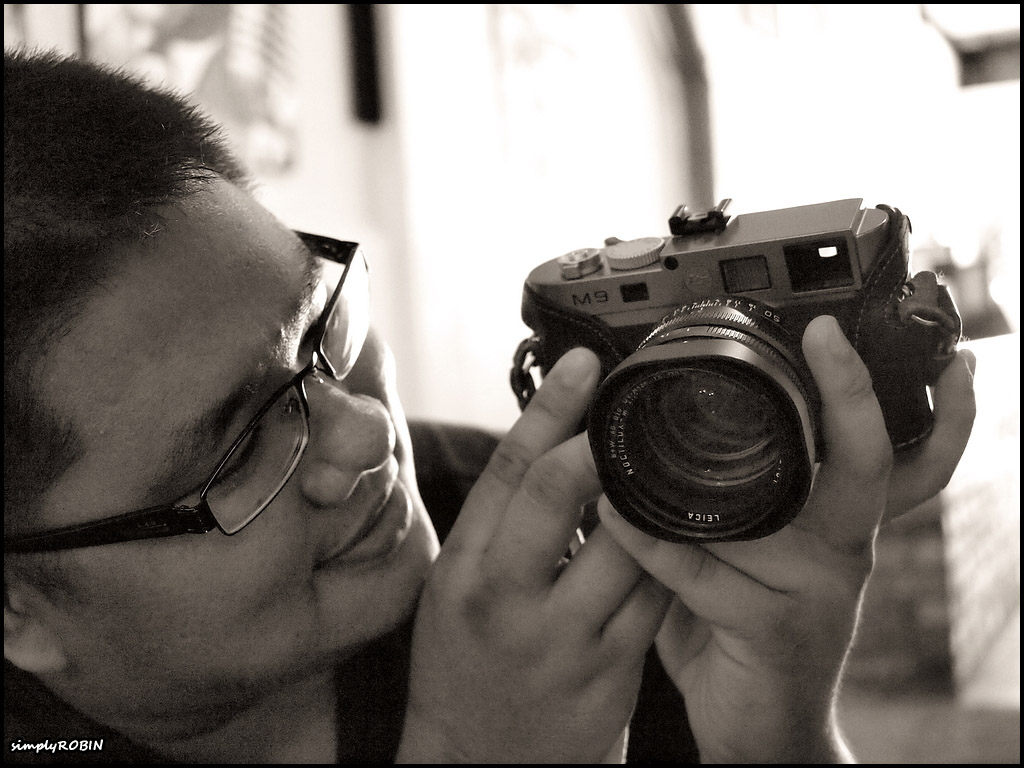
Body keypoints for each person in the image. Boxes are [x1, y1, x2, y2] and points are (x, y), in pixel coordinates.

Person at [4, 49, 976, 764]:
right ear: (16, 608)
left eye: (321, 326)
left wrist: (781, 730)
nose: (365, 432)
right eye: (239, 444)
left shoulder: (541, 544)